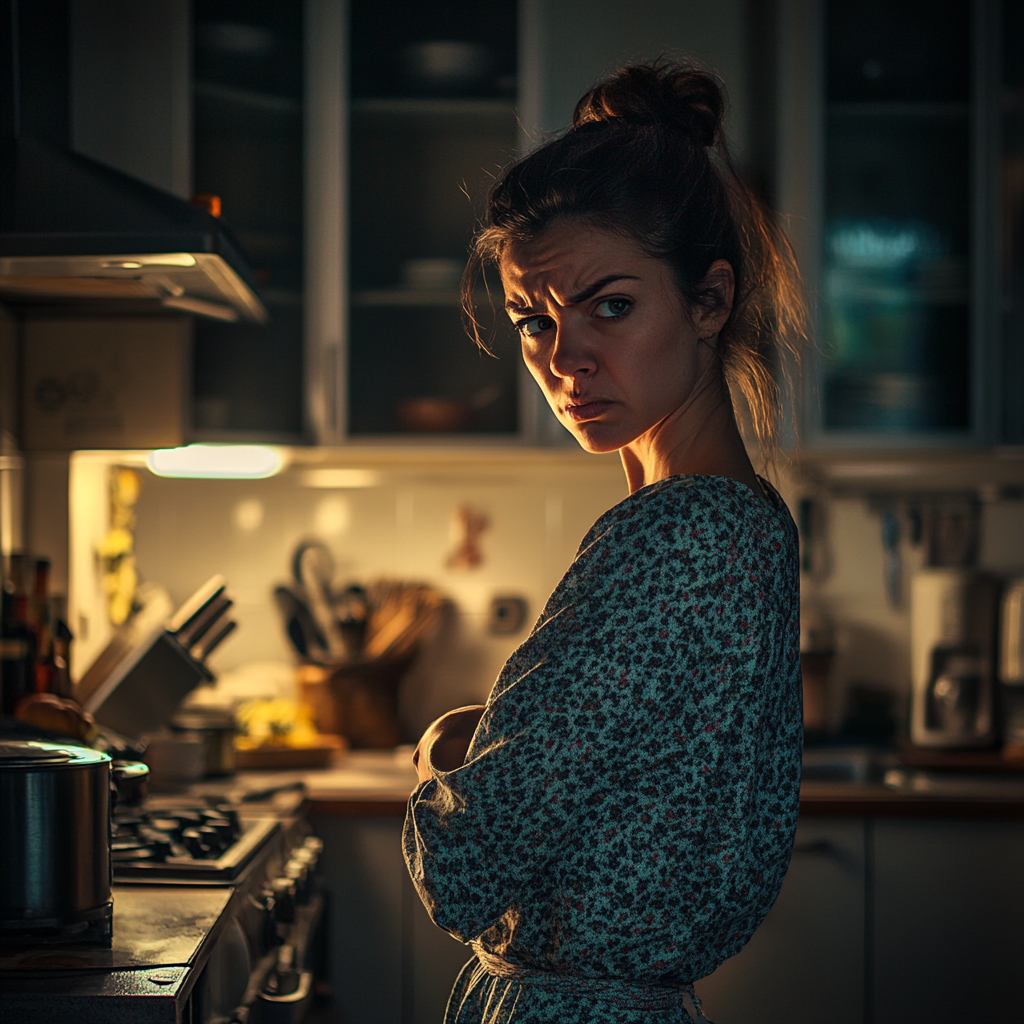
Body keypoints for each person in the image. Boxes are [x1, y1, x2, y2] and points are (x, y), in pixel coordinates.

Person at [403, 60, 806, 1024]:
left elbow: (466, 867)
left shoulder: (677, 534)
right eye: (534, 320)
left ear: (709, 301)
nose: (563, 358)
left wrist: (437, 756)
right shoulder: (741, 521)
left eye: (609, 305)